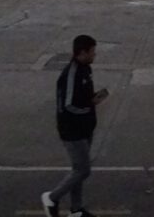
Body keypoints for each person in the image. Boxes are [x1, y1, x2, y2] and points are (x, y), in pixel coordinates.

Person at [43, 35, 108, 217]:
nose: (95, 55)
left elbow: (82, 98)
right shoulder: (71, 74)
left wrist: (93, 99)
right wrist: (88, 107)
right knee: (83, 170)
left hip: (85, 127)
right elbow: (68, 105)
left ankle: (76, 209)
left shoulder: (86, 69)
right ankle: (52, 198)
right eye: (92, 52)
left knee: (77, 170)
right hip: (72, 130)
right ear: (82, 52)